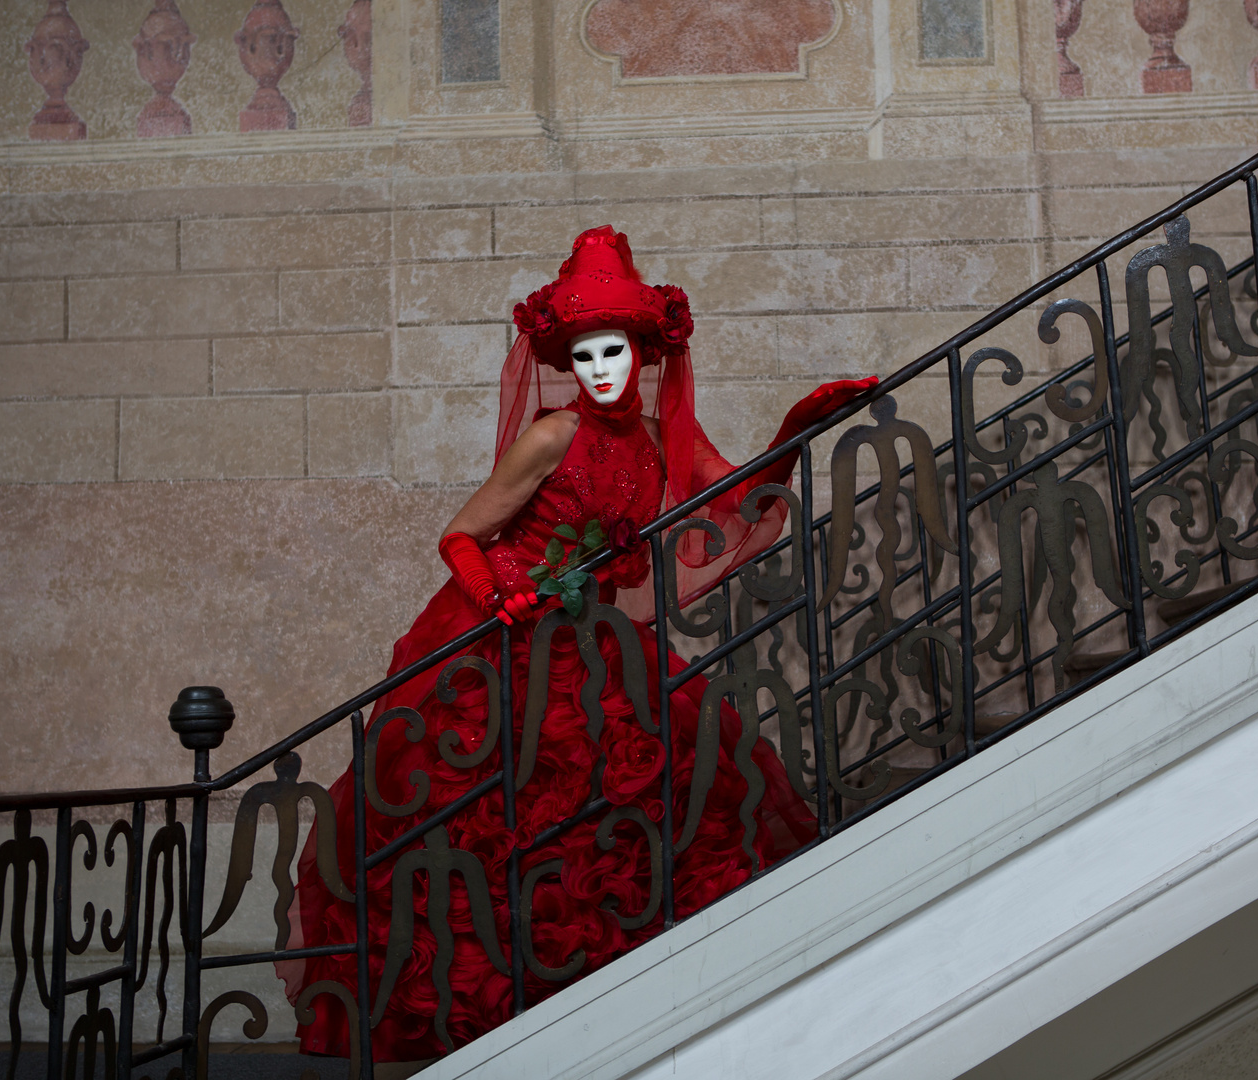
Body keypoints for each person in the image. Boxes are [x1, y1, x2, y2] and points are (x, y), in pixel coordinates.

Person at [284, 226, 875, 1062]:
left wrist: (793, 430)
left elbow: (733, 496)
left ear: (642, 355)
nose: (603, 370)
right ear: (570, 360)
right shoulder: (551, 436)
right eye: (588, 355)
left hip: (601, 644)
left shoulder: (653, 437)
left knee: (647, 795)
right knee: (495, 814)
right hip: (507, 641)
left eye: (617, 353)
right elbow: (460, 535)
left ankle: (610, 1006)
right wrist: (501, 593)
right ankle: (507, 1014)